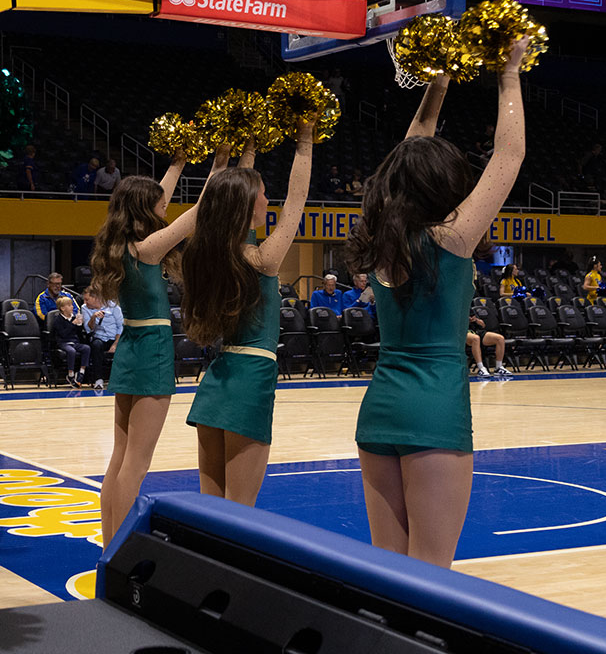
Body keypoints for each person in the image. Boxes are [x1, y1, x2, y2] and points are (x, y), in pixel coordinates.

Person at [343, 39, 528, 566]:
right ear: (445, 185)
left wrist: (438, 84)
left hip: (380, 408)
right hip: (435, 407)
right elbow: (508, 155)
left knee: (389, 567)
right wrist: (508, 71)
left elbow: (403, 159)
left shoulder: (381, 240)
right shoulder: (452, 239)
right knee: (431, 572)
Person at [91, 140, 235, 544]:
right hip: (151, 350)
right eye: (157, 205)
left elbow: (163, 199)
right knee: (136, 465)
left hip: (132, 347)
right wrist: (218, 166)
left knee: (119, 460)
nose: (164, 208)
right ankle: (122, 548)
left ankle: (109, 546)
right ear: (143, 211)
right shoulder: (149, 249)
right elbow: (198, 212)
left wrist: (180, 161)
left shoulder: (126, 247)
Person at [182, 119, 314, 507]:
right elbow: (297, 201)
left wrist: (250, 145)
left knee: (213, 510)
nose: (268, 200)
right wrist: (305, 140)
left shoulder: (212, 254)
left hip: (216, 381)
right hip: (250, 381)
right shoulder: (261, 260)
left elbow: (220, 199)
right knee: (240, 513)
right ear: (245, 204)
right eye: (262, 193)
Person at [81, 286, 122, 391]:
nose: (85, 302)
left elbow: (121, 326)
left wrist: (115, 344)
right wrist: (93, 317)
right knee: (96, 345)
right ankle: (98, 380)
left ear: (96, 298)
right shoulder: (85, 308)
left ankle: (121, 380)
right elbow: (88, 329)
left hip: (115, 338)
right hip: (99, 338)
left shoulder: (113, 306)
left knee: (127, 345)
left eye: (87, 299)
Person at [49, 295, 91, 387]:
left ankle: (82, 372)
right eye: (69, 305)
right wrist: (73, 324)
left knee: (86, 348)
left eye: (71, 304)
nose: (72, 307)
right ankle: (70, 374)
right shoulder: (58, 320)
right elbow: (63, 334)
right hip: (63, 342)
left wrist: (79, 325)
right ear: (63, 308)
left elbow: (78, 334)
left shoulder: (74, 318)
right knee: (71, 351)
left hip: (74, 342)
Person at [466, 310, 509, 379]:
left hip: (477, 331)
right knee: (476, 338)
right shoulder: (456, 309)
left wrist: (476, 320)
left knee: (500, 338)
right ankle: (481, 368)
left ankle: (498, 367)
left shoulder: (470, 309)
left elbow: (483, 325)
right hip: (464, 332)